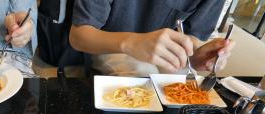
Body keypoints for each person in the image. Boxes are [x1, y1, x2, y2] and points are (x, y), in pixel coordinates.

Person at [69, 0, 235, 76]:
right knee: (141, 72)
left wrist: (198, 55)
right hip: (109, 44)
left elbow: (193, 37)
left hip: (166, 53)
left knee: (182, 86)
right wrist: (132, 42)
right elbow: (78, 36)